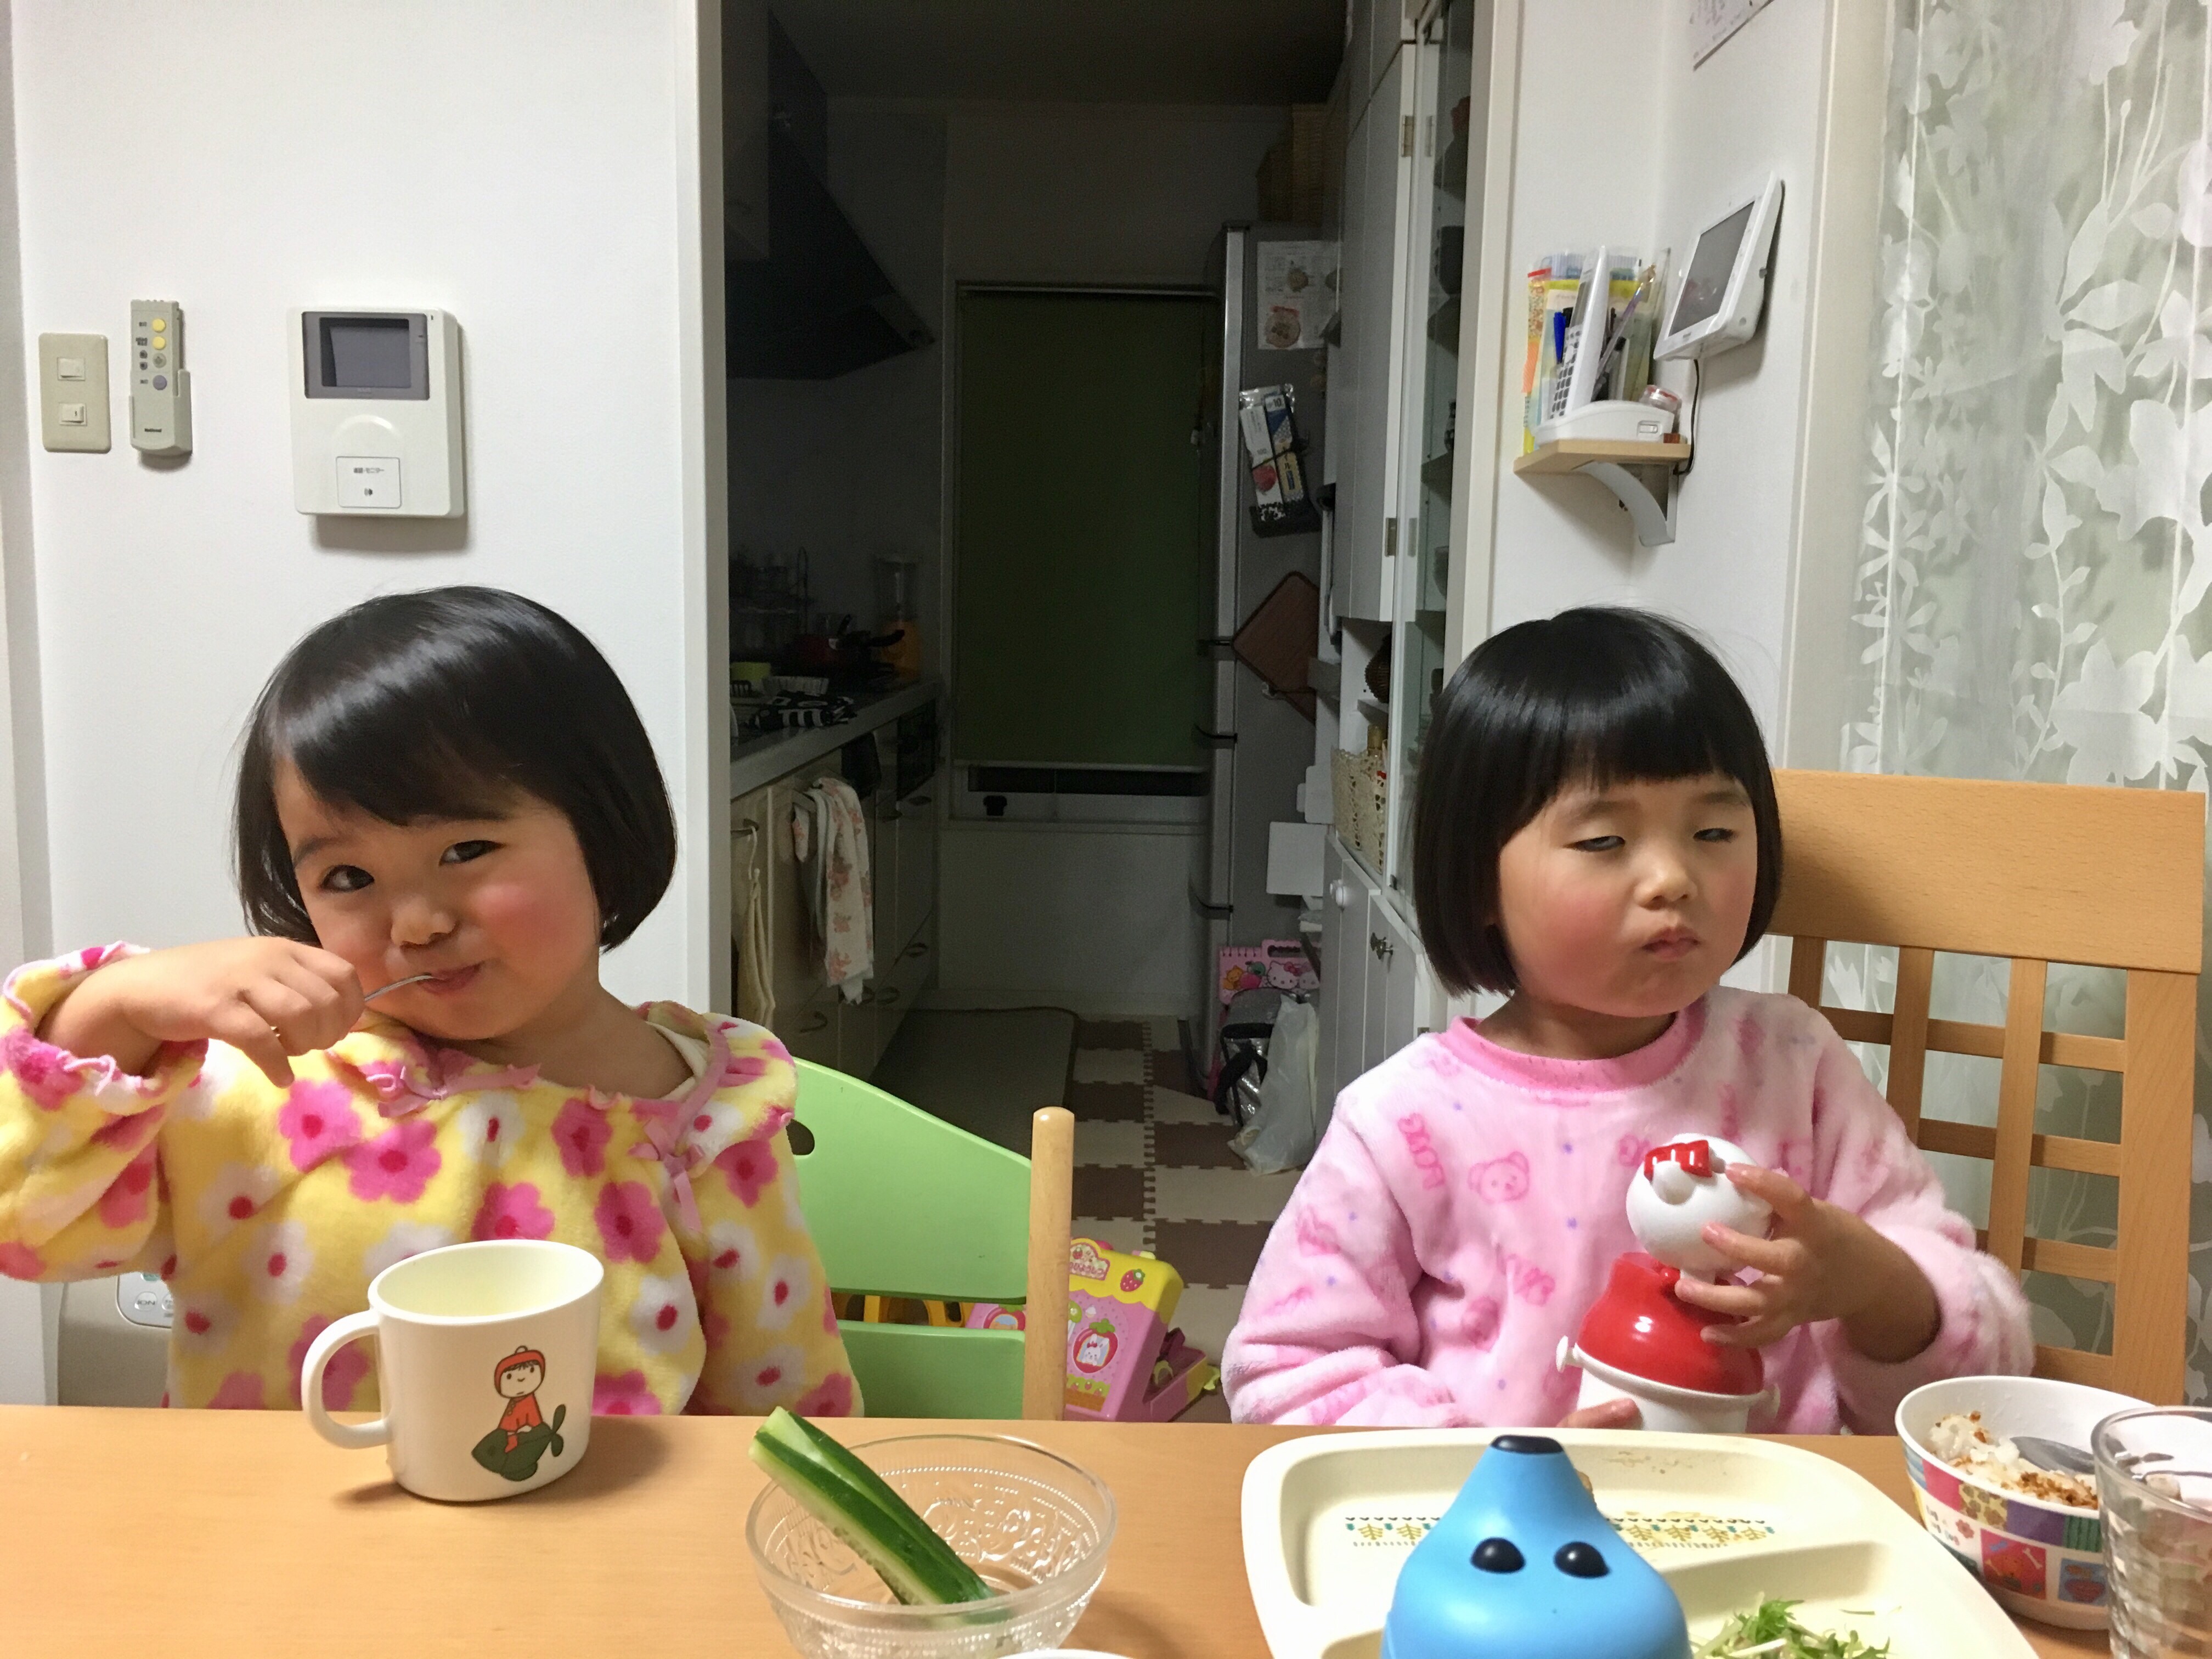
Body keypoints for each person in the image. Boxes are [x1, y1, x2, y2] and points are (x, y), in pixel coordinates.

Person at [0, 586, 857, 1418]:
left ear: (602, 830)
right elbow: (28, 1226)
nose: (416, 924)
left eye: (467, 849)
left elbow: (786, 1412)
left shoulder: (706, 1122)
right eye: (348, 877)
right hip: (267, 1519)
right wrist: (112, 1009)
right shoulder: (262, 1086)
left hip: (596, 1521)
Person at [1222, 607, 2032, 1430]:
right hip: (1502, 1512)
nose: (1672, 878)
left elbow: (1987, 1368)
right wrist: (1502, 1465)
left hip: (1778, 1505)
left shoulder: (1792, 1063)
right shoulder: (1405, 1121)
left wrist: (1870, 1281)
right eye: (1605, 841)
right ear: (1477, 882)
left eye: (1713, 830)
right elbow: (1289, 1372)